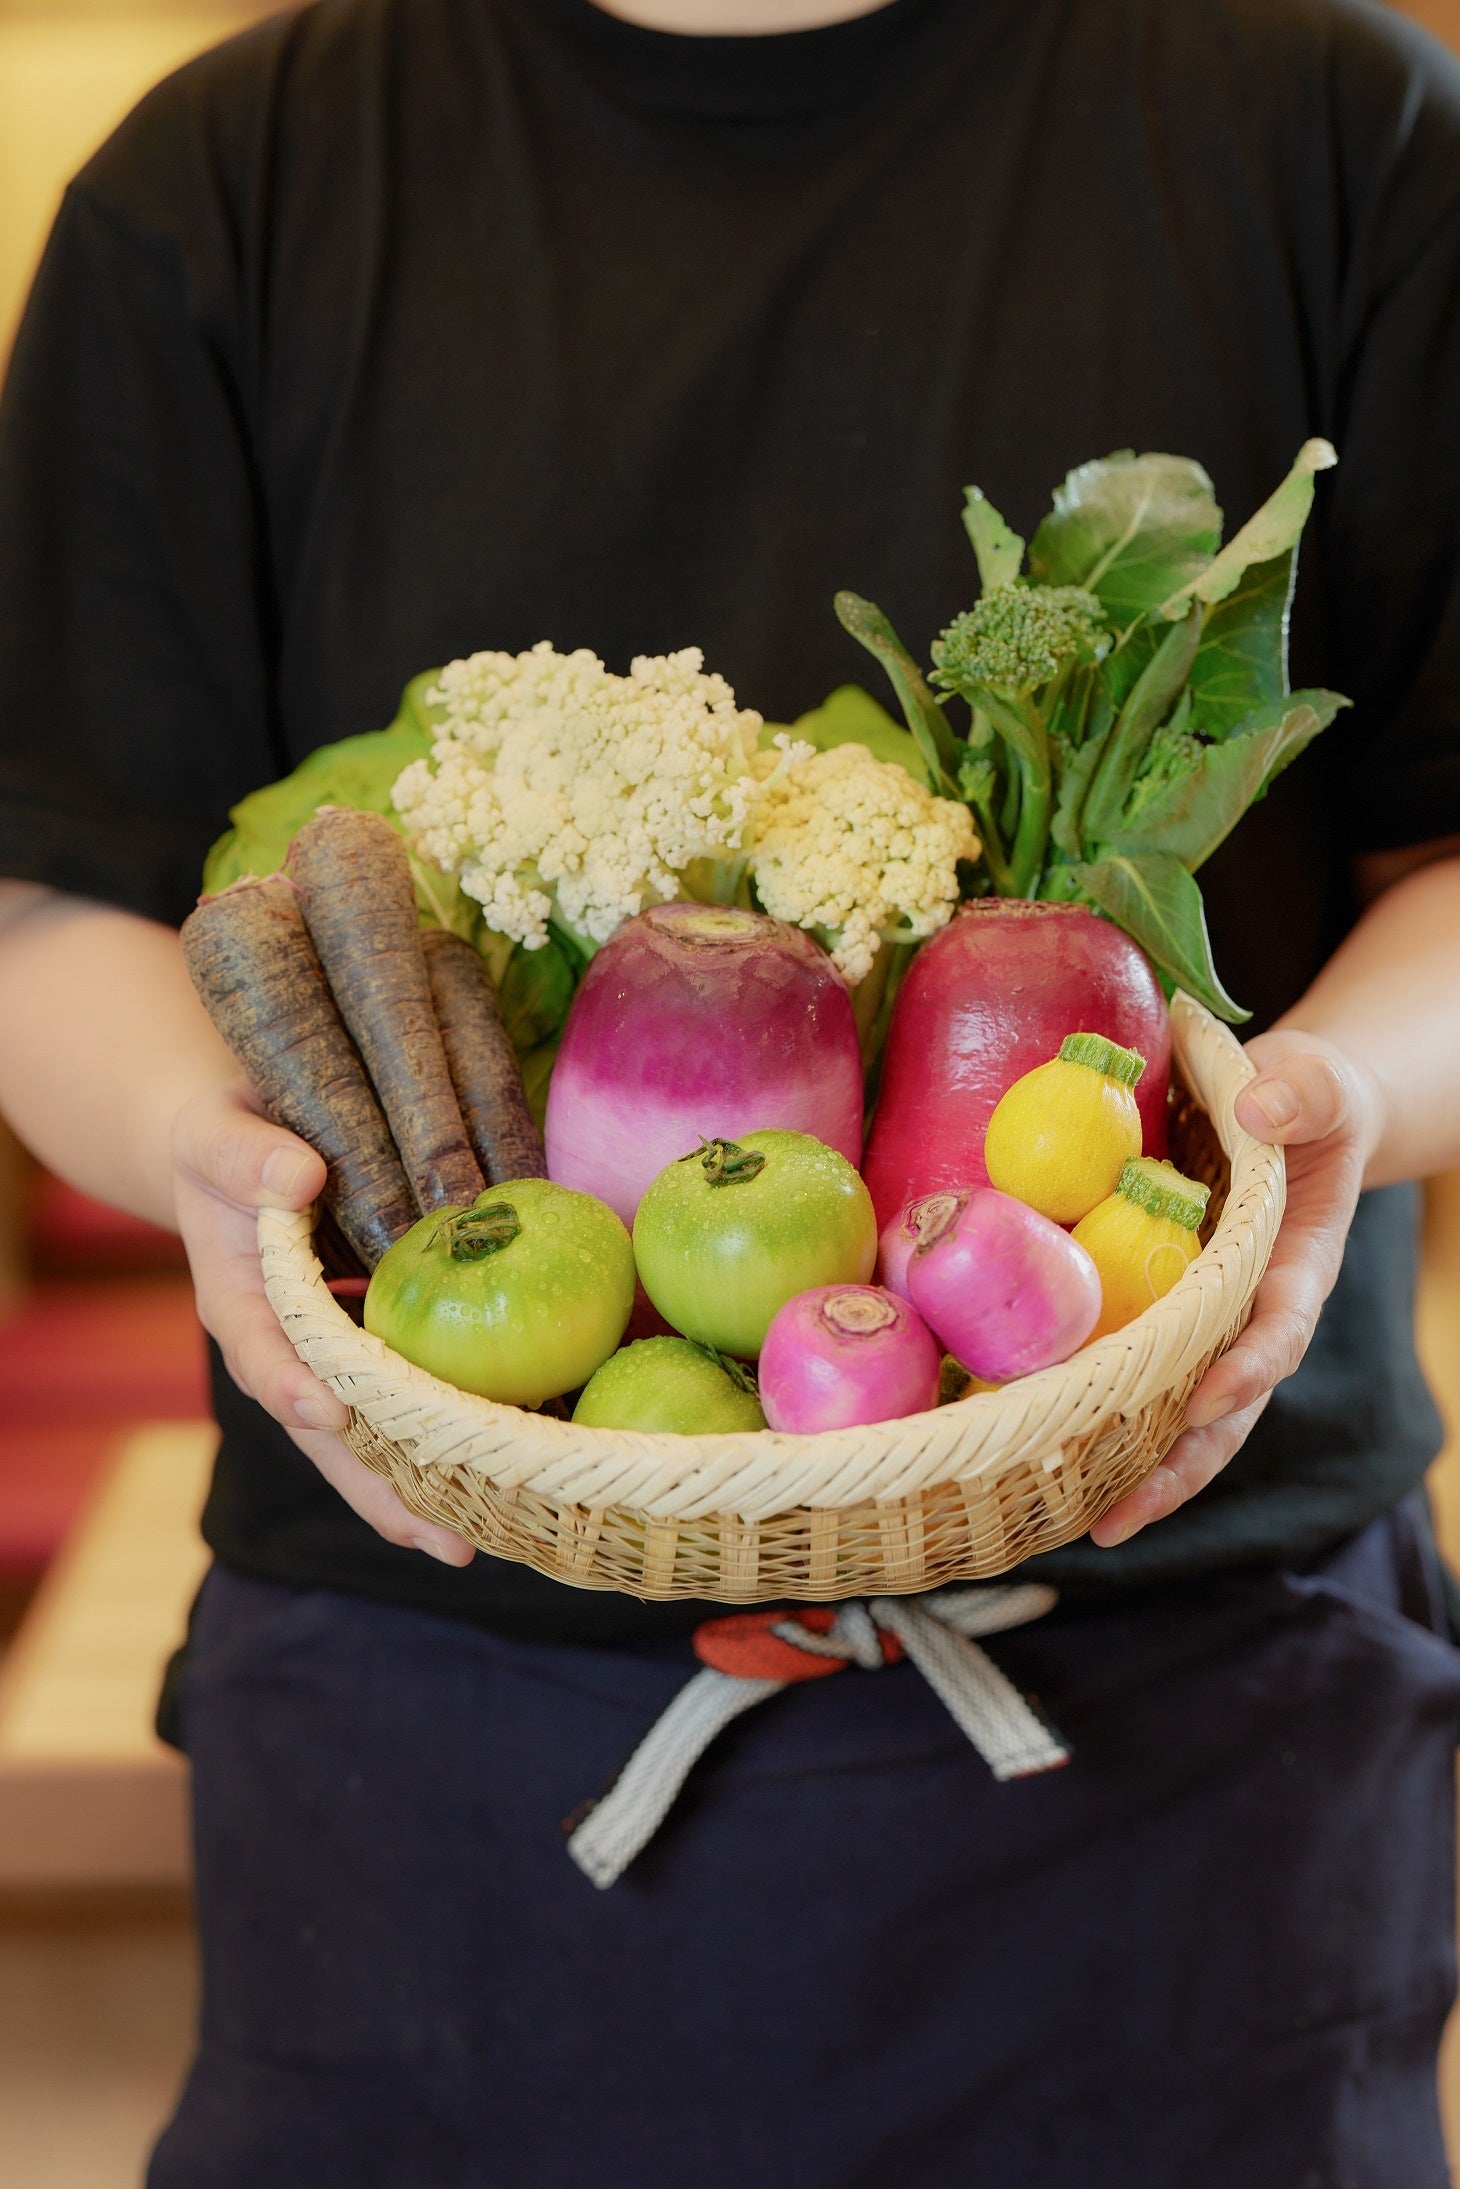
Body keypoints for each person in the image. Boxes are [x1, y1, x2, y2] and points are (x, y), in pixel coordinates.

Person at [2, 0, 1460, 2177]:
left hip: (1182, 1690)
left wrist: (1319, 1094)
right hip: (432, 1699)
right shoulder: (233, 172)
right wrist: (197, 1155)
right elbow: (57, 905)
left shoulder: (1337, 121)